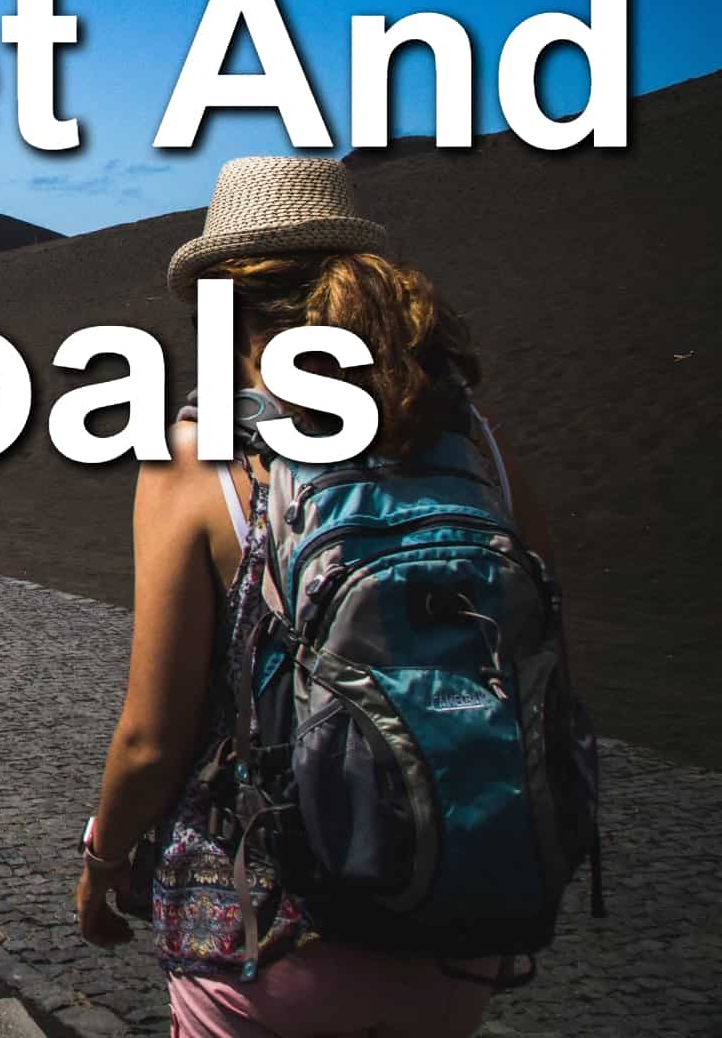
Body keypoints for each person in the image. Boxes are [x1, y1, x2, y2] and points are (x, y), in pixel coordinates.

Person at [75, 155, 564, 1038]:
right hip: (459, 919)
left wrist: (104, 858)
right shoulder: (474, 445)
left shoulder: (203, 455)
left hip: (266, 928)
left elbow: (153, 736)